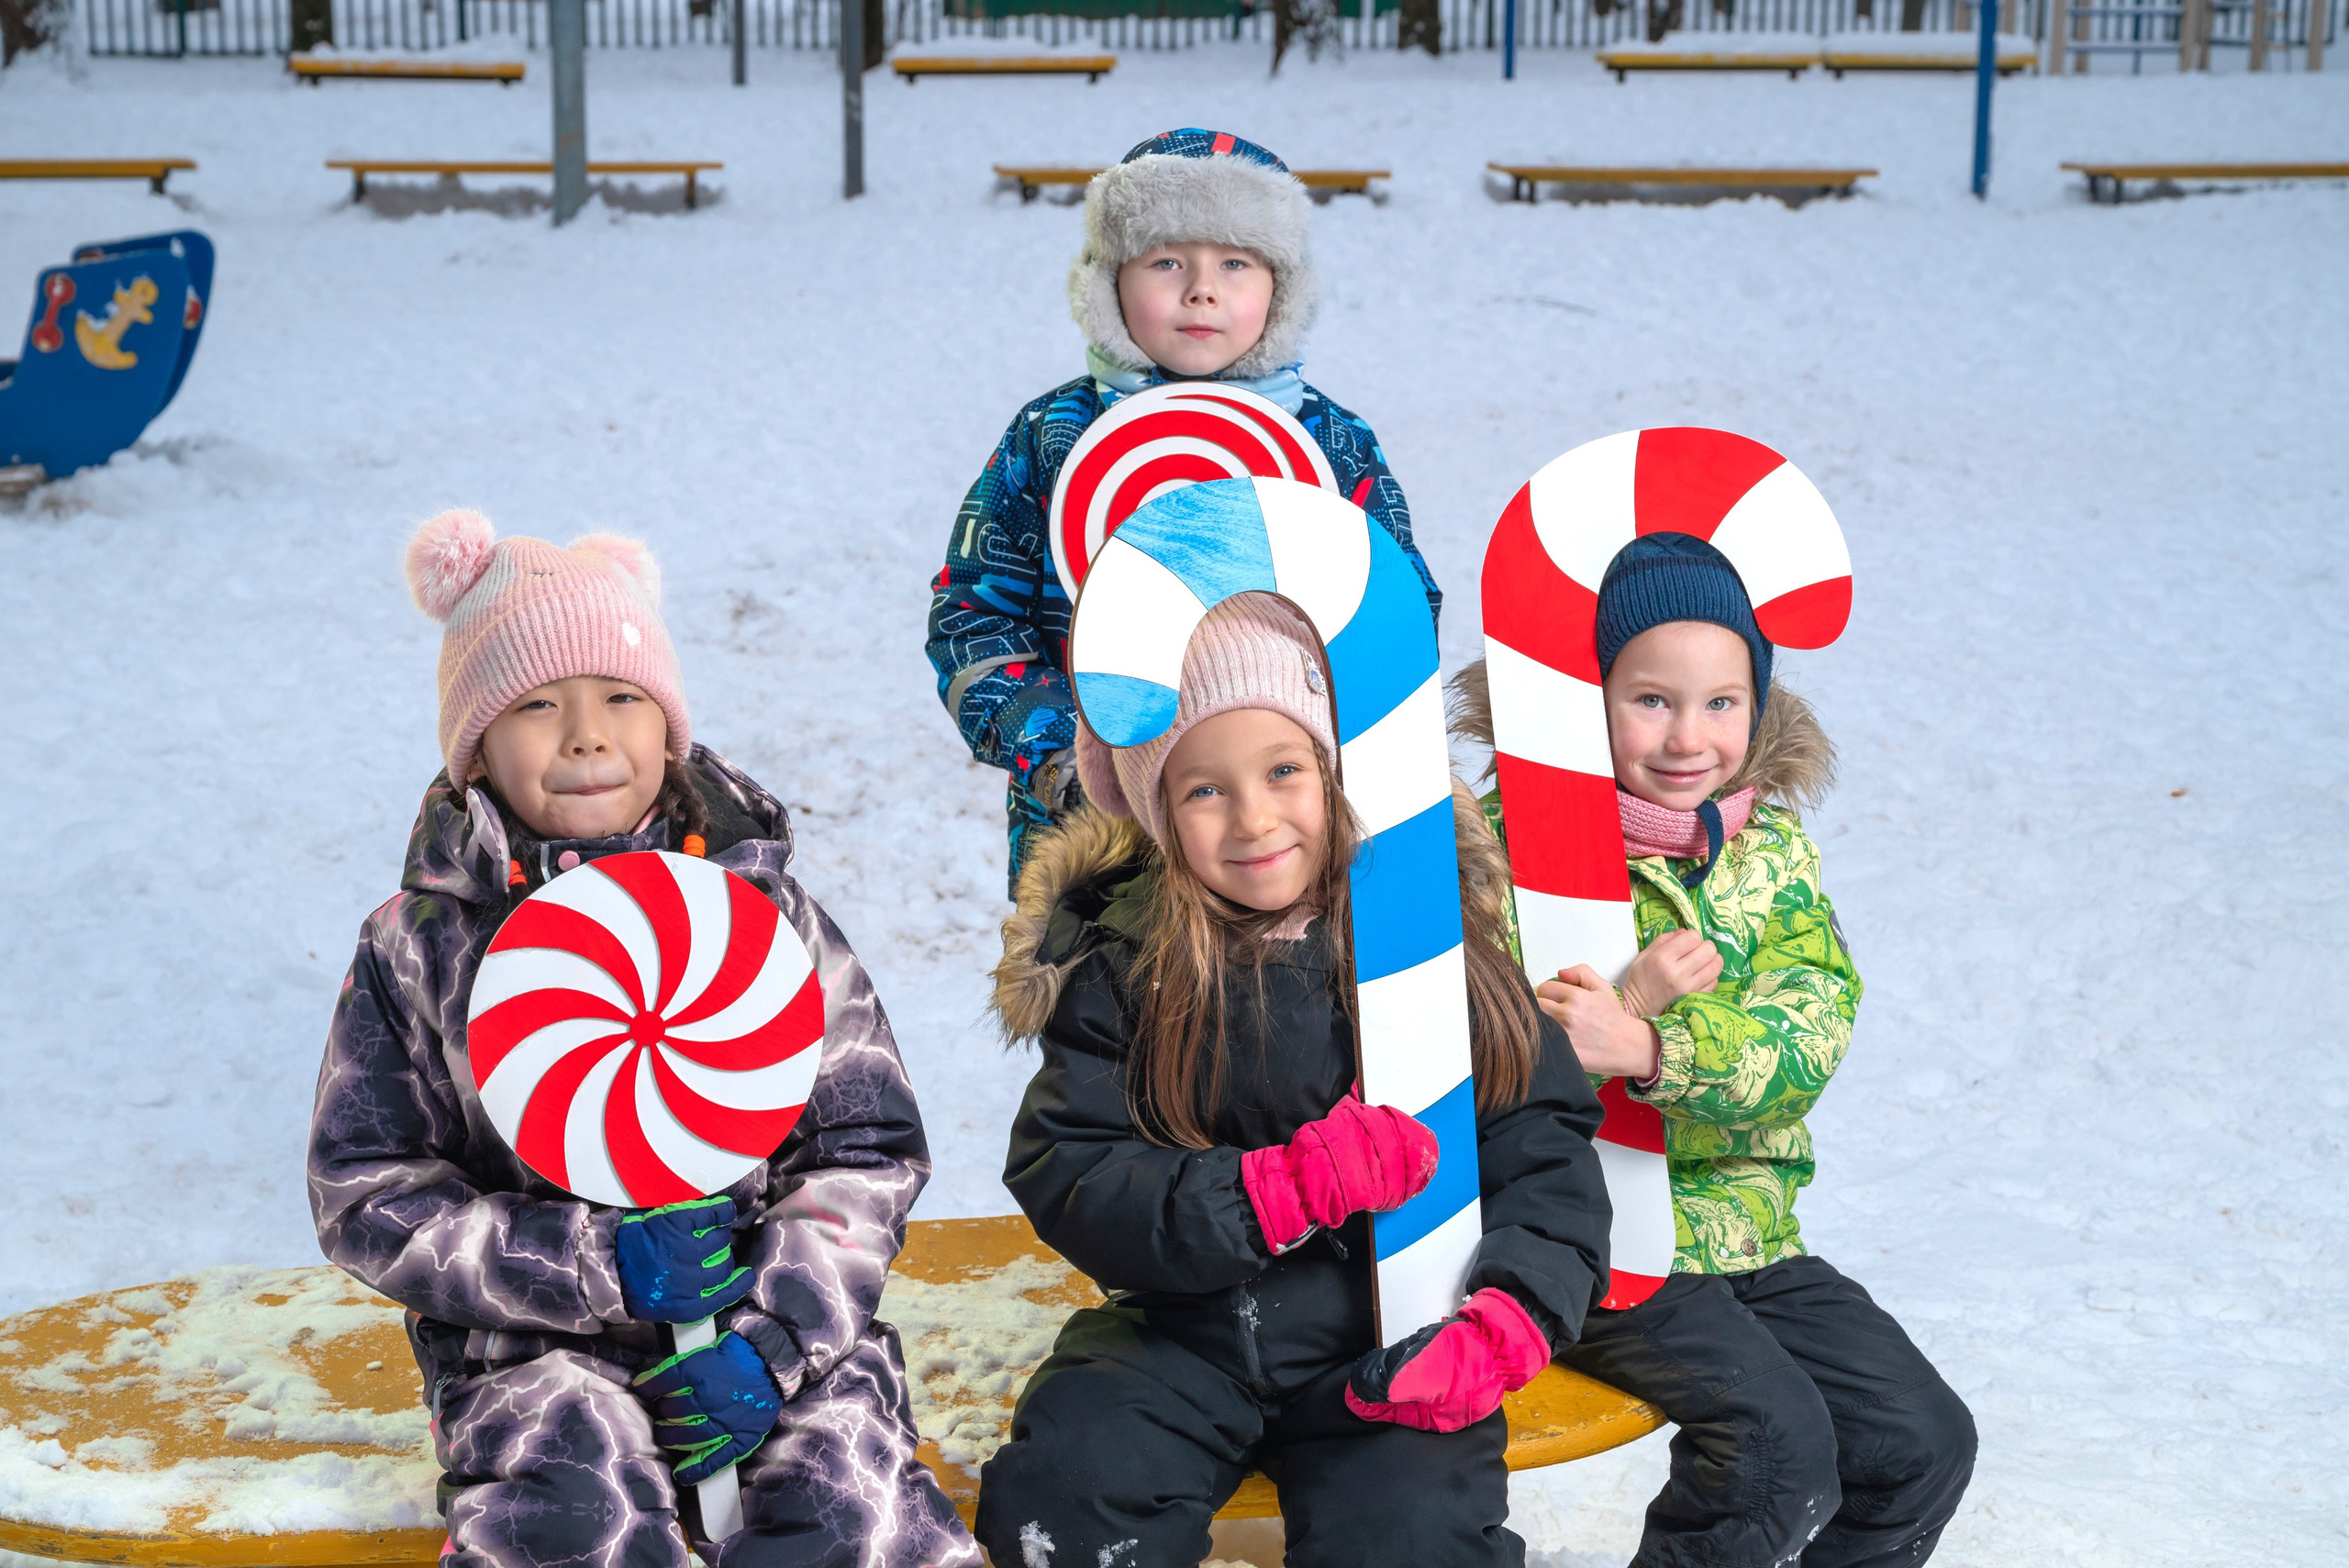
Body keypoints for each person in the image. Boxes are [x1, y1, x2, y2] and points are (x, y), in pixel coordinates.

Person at [309, 512, 977, 1568]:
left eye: (622, 696)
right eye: (536, 704)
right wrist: (591, 1261)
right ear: (475, 744)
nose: (586, 733)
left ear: (668, 728)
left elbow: (863, 1151)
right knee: (577, 1517)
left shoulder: (766, 919)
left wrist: (777, 1337)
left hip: (770, 1337)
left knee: (852, 1506)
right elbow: (367, 1190)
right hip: (530, 1355)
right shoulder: (421, 947)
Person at [974, 594, 1610, 1567]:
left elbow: (1543, 1152)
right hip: (1175, 1332)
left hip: (1392, 1341)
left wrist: (1514, 1308)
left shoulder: (1431, 947)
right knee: (1070, 1485)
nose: (1254, 816)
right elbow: (1074, 1169)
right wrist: (1265, 1192)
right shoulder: (1122, 962)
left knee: (1413, 1537)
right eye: (1203, 789)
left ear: (1337, 770)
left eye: (1283, 769)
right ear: (1155, 809)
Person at [1453, 532, 1977, 1568]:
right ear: (1584, 697)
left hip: (1750, 1229)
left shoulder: (1769, 853)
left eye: (1721, 702)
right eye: (1650, 698)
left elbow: (1810, 1029)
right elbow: (1487, 1053)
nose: (1688, 736)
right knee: (1773, 1449)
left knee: (1919, 1441)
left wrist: (1654, 1043)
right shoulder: (1505, 850)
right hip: (1593, 1243)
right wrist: (1602, 1023)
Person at [925, 128, 1443, 895]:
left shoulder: (1332, 444)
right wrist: (1059, 754)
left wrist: (1325, 748)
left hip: (1281, 829)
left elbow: (1398, 611)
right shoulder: (1052, 439)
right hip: (1096, 848)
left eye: (1235, 262)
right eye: (1167, 261)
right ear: (1110, 282)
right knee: (1111, 1010)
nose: (1202, 289)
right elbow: (973, 616)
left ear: (1281, 287)